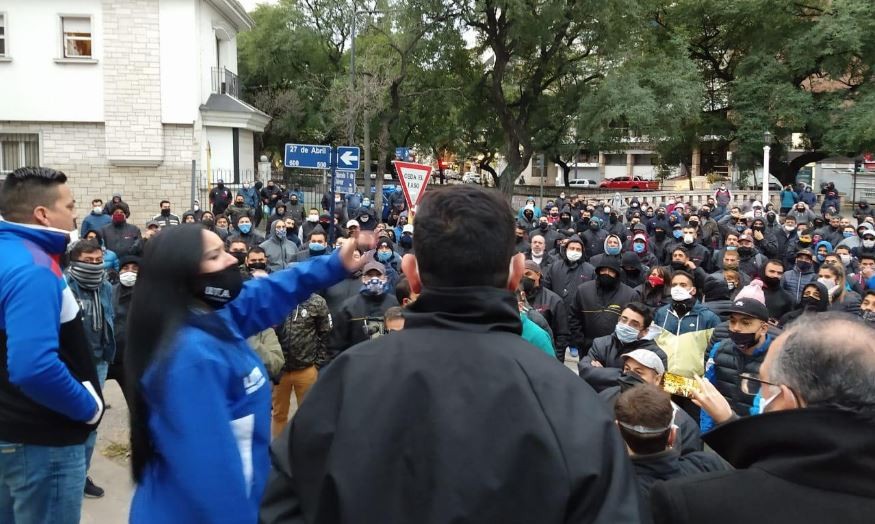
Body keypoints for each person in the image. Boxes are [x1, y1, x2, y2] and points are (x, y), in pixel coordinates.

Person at [260, 185, 638, 523]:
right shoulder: (571, 403)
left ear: (411, 272)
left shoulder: (344, 383)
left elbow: (283, 504)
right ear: (516, 272)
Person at [124, 224, 359, 523]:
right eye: (215, 255)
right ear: (184, 275)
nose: (232, 259)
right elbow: (211, 477)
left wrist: (334, 264)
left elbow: (264, 293)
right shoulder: (190, 358)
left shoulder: (211, 316)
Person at [652, 314, 875, 524]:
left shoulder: (691, 503)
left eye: (763, 384)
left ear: (787, 399)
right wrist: (729, 422)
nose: (759, 393)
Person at [0, 167, 104, 524]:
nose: (76, 215)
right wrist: (88, 407)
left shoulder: (10, 253)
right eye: (70, 205)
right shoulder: (34, 267)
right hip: (41, 442)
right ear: (43, 214)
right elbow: (33, 366)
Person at [614, 384, 729, 524]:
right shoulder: (709, 465)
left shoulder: (614, 492)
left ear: (617, 430)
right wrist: (728, 419)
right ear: (672, 435)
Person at [65, 239, 117, 498]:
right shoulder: (63, 286)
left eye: (99, 261)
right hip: (69, 364)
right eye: (88, 262)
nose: (95, 266)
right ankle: (67, 474)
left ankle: (80, 475)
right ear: (74, 262)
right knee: (67, 419)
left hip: (98, 363)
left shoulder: (106, 286)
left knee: (91, 421)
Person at [652, 270, 720, 419]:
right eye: (674, 285)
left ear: (693, 290)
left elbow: (715, 352)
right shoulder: (661, 314)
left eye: (683, 285)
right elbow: (652, 344)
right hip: (665, 381)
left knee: (691, 425)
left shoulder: (708, 317)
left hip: (693, 385)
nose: (678, 288)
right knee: (665, 422)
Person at [700, 297, 774, 432]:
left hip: (755, 436)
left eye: (745, 323)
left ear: (763, 328)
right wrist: (706, 432)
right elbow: (709, 392)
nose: (736, 328)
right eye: (732, 321)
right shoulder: (719, 349)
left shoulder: (776, 359)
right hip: (720, 431)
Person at [272, 292, 331, 438]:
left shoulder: (317, 302)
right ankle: (278, 452)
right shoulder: (277, 299)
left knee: (308, 415)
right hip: (281, 371)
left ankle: (305, 452)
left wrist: (318, 363)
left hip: (306, 368)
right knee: (279, 414)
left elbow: (326, 333)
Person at [578, 303, 666, 392]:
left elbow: (668, 389)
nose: (626, 325)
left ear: (645, 331)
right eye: (624, 320)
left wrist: (602, 373)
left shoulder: (658, 355)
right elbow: (585, 372)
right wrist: (633, 378)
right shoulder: (601, 343)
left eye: (634, 324)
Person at [326, 261, 400, 360]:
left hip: (388, 364)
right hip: (357, 366)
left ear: (385, 279)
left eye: (378, 275)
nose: (374, 279)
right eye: (370, 275)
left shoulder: (395, 304)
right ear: (363, 279)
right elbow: (336, 346)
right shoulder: (348, 307)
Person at [569, 257, 640, 353]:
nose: (606, 273)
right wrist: (581, 341)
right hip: (588, 348)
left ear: (617, 274)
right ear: (598, 272)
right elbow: (574, 317)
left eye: (611, 271)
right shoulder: (583, 290)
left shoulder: (630, 295)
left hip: (617, 350)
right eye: (603, 270)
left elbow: (635, 322)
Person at [520, 260, 571, 361]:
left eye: (528, 274)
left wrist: (557, 361)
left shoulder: (554, 300)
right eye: (521, 274)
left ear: (538, 275)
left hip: (545, 354)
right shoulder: (517, 297)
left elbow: (562, 335)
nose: (524, 278)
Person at [109, 255, 139, 409]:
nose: (130, 272)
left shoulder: (145, 296)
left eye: (135, 269)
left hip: (130, 361)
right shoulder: (109, 292)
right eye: (126, 268)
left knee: (136, 406)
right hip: (108, 357)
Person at [541, 235, 595, 307]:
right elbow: (546, 290)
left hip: (579, 314)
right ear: (566, 249)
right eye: (572, 248)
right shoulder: (554, 267)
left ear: (582, 252)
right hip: (555, 311)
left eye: (578, 249)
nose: (574, 251)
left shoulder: (590, 270)